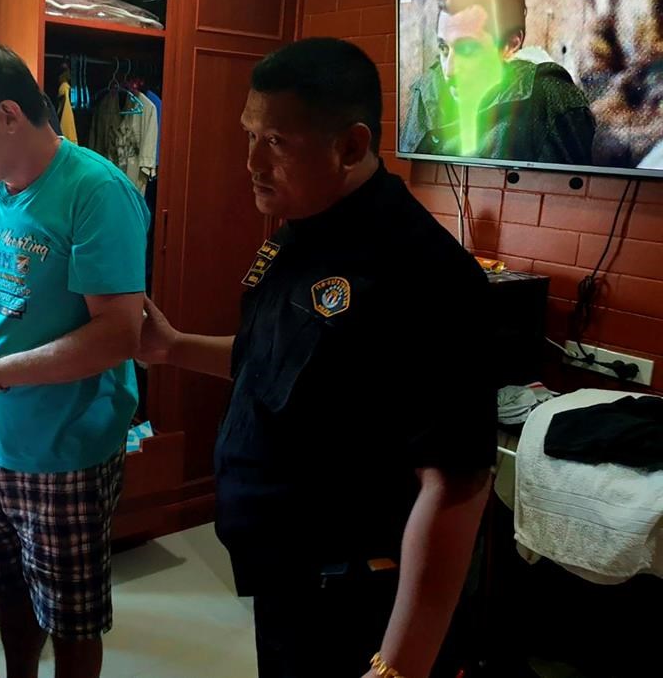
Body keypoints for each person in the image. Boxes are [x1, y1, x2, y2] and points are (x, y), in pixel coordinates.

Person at [138, 38, 497, 678]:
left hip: (359, 598)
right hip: (286, 580)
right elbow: (276, 369)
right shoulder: (301, 229)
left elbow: (457, 486)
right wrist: (173, 349)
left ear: (351, 146)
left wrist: (399, 665)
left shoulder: (426, 276)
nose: (250, 160)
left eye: (276, 142)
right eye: (250, 134)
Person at [0, 38, 149, 678]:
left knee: (70, 620)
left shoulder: (95, 191)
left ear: (11, 116)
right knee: (7, 596)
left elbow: (117, 335)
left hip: (67, 448)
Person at [400, 0, 596, 165]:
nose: (449, 71)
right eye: (443, 48)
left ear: (511, 45)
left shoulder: (550, 97)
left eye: (467, 49)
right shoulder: (427, 91)